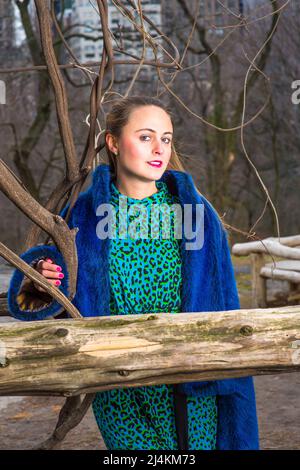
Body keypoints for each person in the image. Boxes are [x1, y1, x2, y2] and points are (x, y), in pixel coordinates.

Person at [8, 96, 259, 450]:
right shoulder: (84, 215)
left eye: (166, 138)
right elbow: (56, 290)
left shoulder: (197, 214)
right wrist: (40, 280)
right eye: (146, 137)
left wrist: (230, 375)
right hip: (119, 383)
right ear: (113, 142)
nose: (160, 148)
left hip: (189, 377)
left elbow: (225, 302)